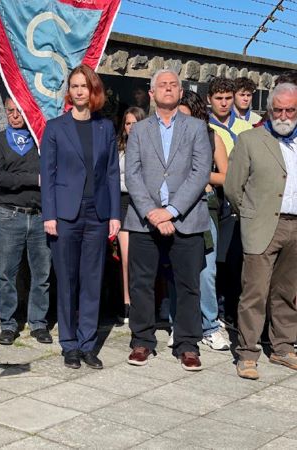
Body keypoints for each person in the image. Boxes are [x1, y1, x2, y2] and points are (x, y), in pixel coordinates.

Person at [124, 69, 211, 371]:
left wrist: (171, 210)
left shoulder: (197, 128)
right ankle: (142, 341)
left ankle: (187, 344)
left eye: (174, 85)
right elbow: (132, 175)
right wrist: (152, 212)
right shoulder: (139, 130)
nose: (168, 89)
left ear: (180, 90)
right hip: (144, 220)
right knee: (142, 283)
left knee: (188, 285)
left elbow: (200, 174)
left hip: (185, 219)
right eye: (162, 85)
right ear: (151, 93)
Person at [40, 64, 121, 369]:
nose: (78, 91)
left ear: (93, 91)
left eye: (83, 86)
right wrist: (50, 214)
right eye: (73, 86)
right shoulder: (56, 127)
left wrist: (114, 214)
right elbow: (47, 175)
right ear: (69, 92)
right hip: (65, 215)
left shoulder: (105, 128)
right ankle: (69, 344)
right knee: (68, 280)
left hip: (97, 214)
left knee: (92, 280)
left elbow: (112, 174)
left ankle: (88, 344)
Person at [225, 82, 297, 380]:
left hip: (295, 226)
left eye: (290, 110)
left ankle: (282, 346)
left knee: (288, 292)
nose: (283, 115)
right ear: (268, 109)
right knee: (254, 291)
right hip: (262, 226)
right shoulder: (250, 139)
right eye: (277, 109)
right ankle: (248, 352)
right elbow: (233, 186)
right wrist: (251, 215)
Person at [0, 98, 52, 346]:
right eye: (10, 111)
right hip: (9, 215)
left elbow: (50, 174)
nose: (14, 116)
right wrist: (34, 179)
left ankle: (38, 323)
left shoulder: (40, 142)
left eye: (19, 111)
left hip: (39, 215)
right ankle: (8, 324)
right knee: (7, 274)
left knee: (42, 273)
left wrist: (22, 178)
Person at [178, 90, 230, 351]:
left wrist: (201, 176)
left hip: (204, 207)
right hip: (175, 208)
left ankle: (210, 324)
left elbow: (226, 177)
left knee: (206, 269)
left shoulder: (212, 137)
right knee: (177, 268)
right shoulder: (168, 137)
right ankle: (179, 323)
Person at [207, 77, 252, 327]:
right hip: (220, 198)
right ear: (209, 100)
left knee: (240, 259)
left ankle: (233, 310)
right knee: (219, 258)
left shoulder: (247, 127)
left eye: (227, 98)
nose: (224, 103)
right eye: (219, 99)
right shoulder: (206, 128)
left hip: (245, 199)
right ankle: (221, 309)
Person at [116, 106, 146, 323]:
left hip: (143, 205)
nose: (131, 127)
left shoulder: (150, 148)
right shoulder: (119, 148)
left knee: (141, 259)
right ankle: (127, 303)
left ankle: (142, 302)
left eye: (135, 123)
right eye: (128, 123)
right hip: (123, 203)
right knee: (126, 258)